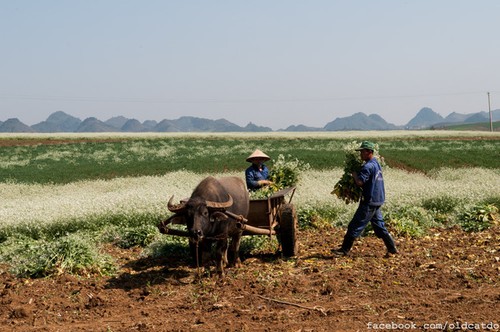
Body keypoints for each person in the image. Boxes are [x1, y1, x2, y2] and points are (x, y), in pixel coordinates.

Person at [332, 141, 398, 257]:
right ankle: (392, 249)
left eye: (362, 152)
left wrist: (354, 174)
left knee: (354, 225)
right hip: (378, 199)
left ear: (369, 152)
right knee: (379, 226)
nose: (360, 154)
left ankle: (344, 250)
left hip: (369, 201)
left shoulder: (368, 166)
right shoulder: (376, 163)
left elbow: (359, 182)